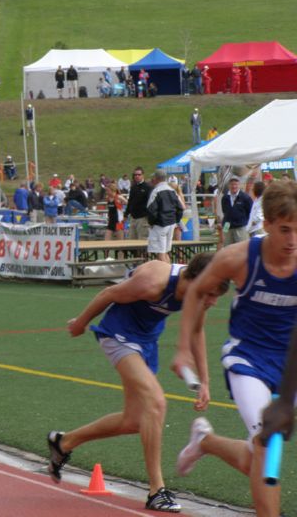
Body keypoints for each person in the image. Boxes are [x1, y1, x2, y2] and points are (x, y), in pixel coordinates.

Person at [49, 253, 225, 513]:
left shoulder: (198, 295)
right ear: (194, 278)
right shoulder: (153, 282)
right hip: (118, 334)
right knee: (156, 402)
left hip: (146, 342)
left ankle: (63, 443)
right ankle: (156, 490)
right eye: (209, 294)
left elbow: (197, 332)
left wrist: (206, 382)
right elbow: (108, 294)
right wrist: (81, 323)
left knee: (134, 421)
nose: (211, 301)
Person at [171, 180, 297, 517]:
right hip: (248, 359)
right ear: (266, 224)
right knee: (267, 442)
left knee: (260, 451)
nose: (292, 241)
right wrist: (183, 349)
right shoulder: (240, 258)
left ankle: (206, 442)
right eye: (285, 230)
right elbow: (196, 290)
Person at [146, 169, 183, 262]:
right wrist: (176, 220)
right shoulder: (172, 191)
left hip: (160, 224)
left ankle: (165, 274)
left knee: (161, 252)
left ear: (156, 178)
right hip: (171, 223)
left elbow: (151, 210)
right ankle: (169, 272)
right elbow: (180, 208)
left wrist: (151, 223)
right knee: (165, 251)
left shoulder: (156, 191)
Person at [221, 174, 253, 246]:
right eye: (232, 184)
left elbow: (250, 212)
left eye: (235, 184)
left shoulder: (245, 197)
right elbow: (225, 212)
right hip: (228, 227)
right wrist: (224, 229)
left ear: (239, 185)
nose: (234, 186)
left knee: (242, 248)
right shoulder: (225, 198)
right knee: (227, 248)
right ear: (229, 185)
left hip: (240, 227)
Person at [127, 167, 151, 241]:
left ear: (143, 175)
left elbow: (150, 203)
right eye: (135, 175)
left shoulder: (147, 187)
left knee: (143, 240)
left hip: (143, 218)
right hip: (133, 218)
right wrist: (126, 214)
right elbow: (130, 202)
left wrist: (148, 216)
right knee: (131, 240)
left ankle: (144, 253)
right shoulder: (133, 187)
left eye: (139, 174)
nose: (137, 176)